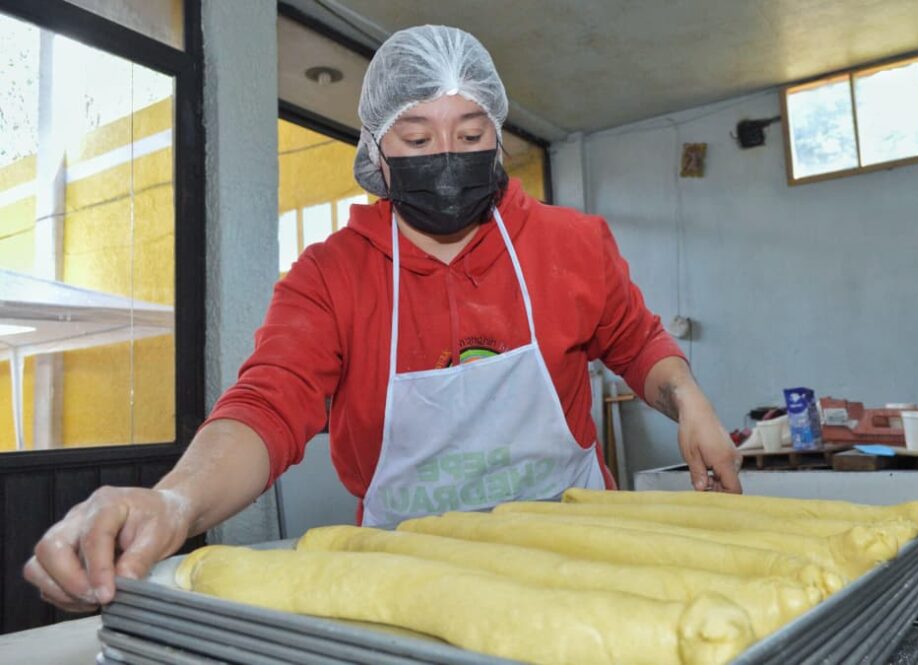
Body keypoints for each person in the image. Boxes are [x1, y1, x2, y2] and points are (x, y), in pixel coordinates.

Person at [24, 25, 741, 612]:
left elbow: (637, 343)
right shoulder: (330, 277)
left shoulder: (572, 244)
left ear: (496, 137)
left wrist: (688, 399)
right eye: (418, 140)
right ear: (376, 151)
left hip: (582, 557)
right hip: (410, 581)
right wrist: (175, 502)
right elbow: (267, 406)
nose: (448, 158)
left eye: (470, 134)